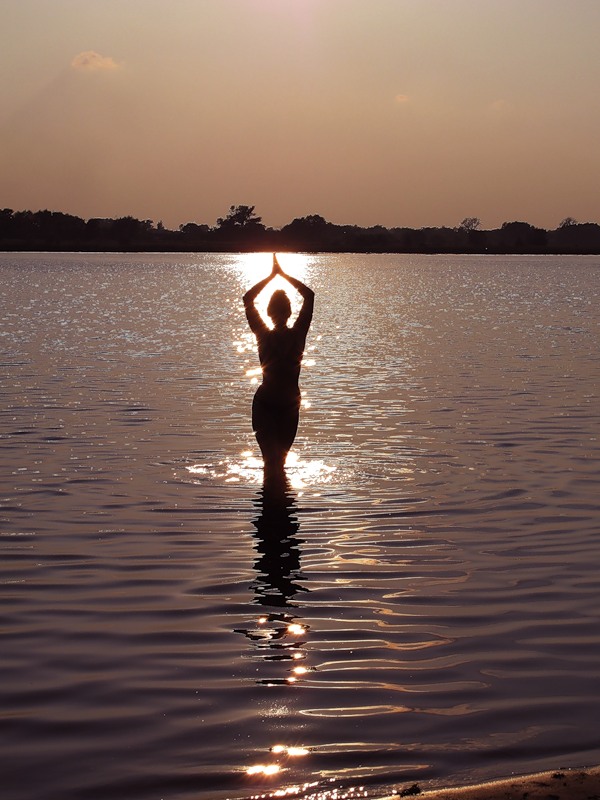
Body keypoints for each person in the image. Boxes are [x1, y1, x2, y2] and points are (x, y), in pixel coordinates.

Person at [243, 254, 314, 478]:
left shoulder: (263, 334)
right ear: (288, 312)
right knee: (276, 464)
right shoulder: (296, 334)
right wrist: (282, 275)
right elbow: (309, 296)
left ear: (269, 312)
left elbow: (248, 298)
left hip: (275, 403)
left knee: (272, 464)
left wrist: (272, 276)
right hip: (278, 404)